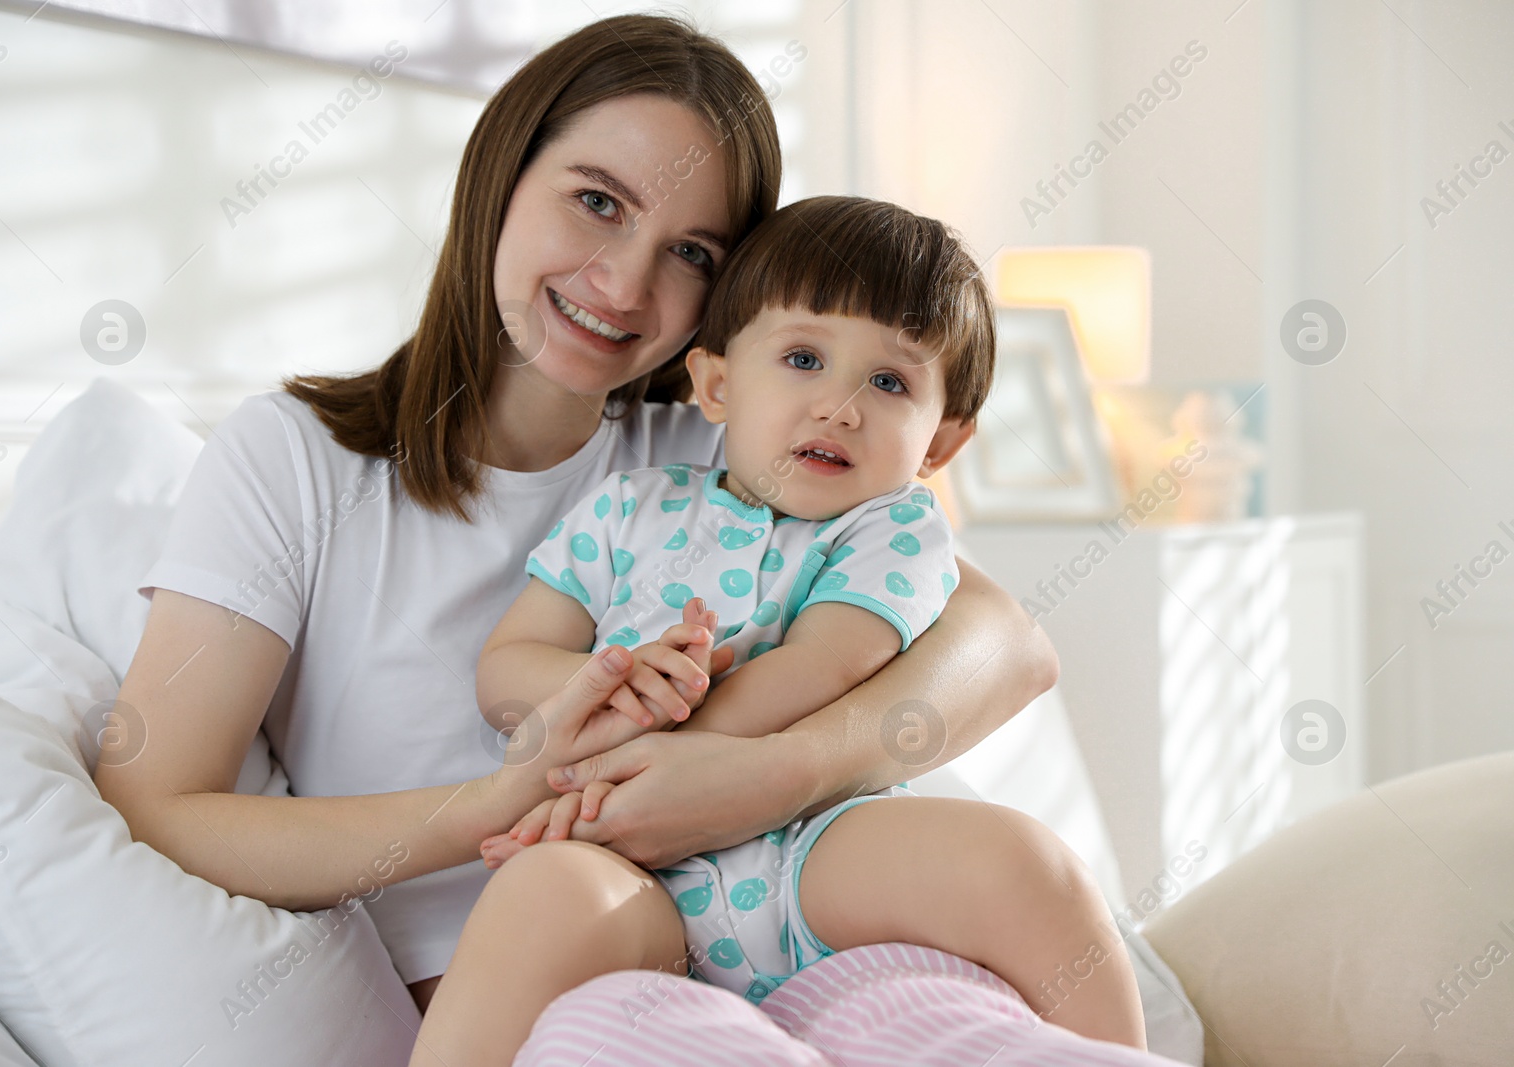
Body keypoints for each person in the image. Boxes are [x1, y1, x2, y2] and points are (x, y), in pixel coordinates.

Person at [94, 14, 1059, 1065]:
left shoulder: (725, 445)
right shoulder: (296, 462)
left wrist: (769, 773)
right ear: (500, 174)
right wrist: (499, 805)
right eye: (597, 202)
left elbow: (1004, 646)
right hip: (514, 997)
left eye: (691, 252)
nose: (625, 284)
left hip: (772, 950)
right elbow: (160, 804)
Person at [427, 197, 1150, 1066]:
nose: (840, 407)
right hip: (632, 868)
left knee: (1023, 863)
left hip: (818, 846)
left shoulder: (894, 529)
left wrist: (666, 757)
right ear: (717, 384)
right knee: (538, 894)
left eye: (889, 382)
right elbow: (506, 668)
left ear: (940, 444)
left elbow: (827, 662)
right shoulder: (627, 508)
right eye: (804, 358)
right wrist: (616, 685)